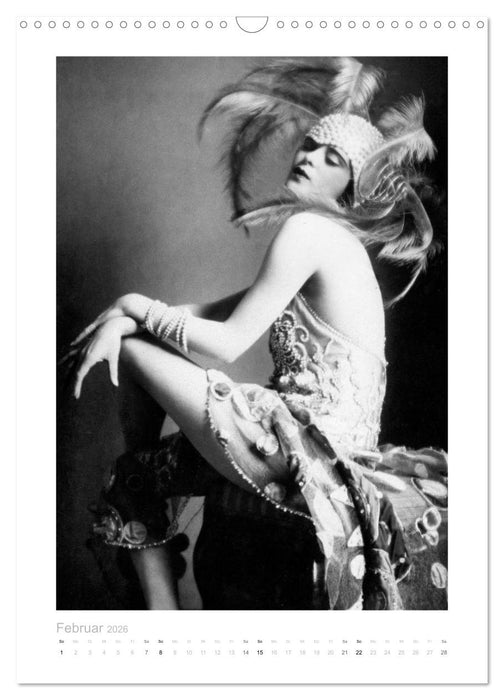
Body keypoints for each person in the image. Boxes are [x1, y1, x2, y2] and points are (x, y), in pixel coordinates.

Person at [60, 57, 447, 611]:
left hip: (305, 453)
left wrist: (131, 309)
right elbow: (207, 312)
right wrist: (132, 314)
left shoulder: (308, 230)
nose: (309, 158)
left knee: (135, 406)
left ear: (354, 184)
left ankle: (162, 623)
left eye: (332, 158)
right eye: (309, 145)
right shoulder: (334, 242)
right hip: (323, 452)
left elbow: (226, 343)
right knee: (137, 463)